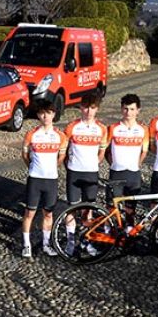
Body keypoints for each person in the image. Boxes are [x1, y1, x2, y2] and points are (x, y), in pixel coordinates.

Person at [62, 94, 109, 255]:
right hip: (74, 172)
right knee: (72, 209)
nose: (89, 111)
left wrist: (94, 164)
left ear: (97, 109)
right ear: (81, 108)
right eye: (86, 107)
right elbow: (63, 151)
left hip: (91, 173)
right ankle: (70, 243)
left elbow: (102, 152)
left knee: (88, 210)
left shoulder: (102, 129)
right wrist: (69, 165)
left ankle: (86, 242)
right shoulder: (71, 126)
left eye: (93, 108)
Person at [21, 100, 68, 258]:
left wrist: (53, 167)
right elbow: (25, 155)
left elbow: (61, 157)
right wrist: (32, 167)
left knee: (48, 214)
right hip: (35, 179)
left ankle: (46, 244)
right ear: (38, 115)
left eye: (48, 113)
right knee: (29, 213)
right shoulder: (31, 134)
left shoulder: (60, 136)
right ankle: (26, 245)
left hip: (51, 180)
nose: (45, 116)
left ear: (53, 114)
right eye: (42, 113)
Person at [105, 94, 149, 230]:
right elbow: (106, 150)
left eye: (132, 109)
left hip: (133, 173)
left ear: (138, 111)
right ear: (121, 109)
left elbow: (144, 151)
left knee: (131, 206)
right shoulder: (113, 128)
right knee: (111, 205)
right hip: (116, 172)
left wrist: (137, 164)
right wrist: (113, 163)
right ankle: (108, 231)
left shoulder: (143, 129)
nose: (128, 112)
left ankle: (129, 228)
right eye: (125, 109)